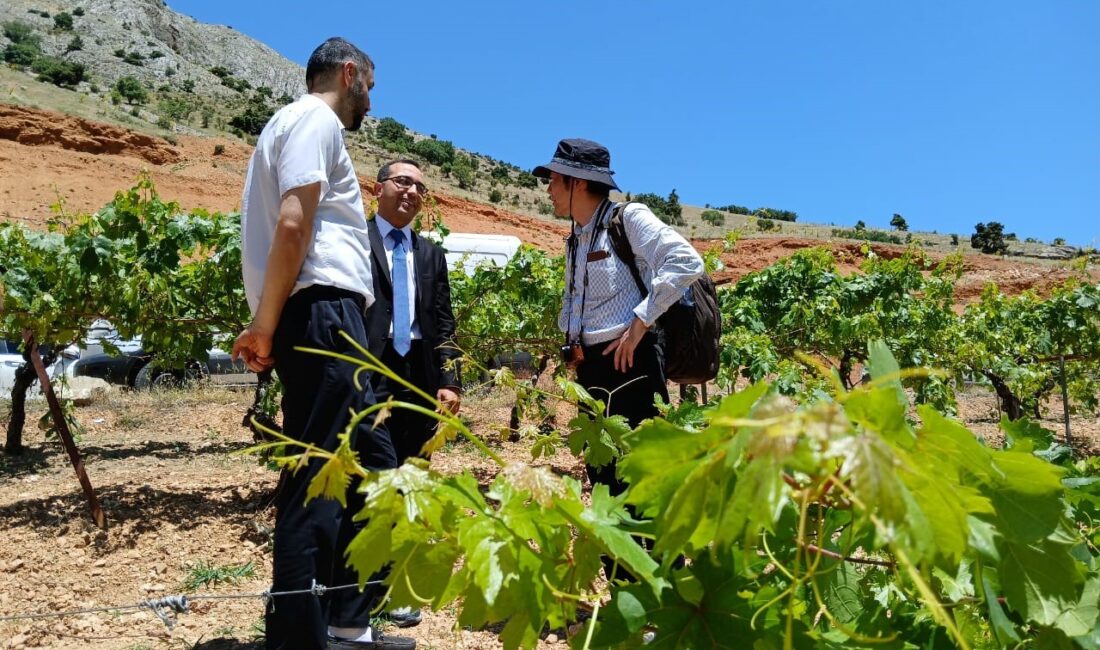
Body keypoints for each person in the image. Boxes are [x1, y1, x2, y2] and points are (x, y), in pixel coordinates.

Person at [232, 37, 414, 650]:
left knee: (375, 467)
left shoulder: (291, 126)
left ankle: (348, 623)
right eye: (371, 85)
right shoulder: (314, 118)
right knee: (319, 475)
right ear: (350, 73)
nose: (371, 101)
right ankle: (297, 636)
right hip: (323, 314)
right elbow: (293, 222)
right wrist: (265, 323)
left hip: (327, 317)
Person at [532, 138, 704, 579]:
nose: (548, 188)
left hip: (633, 365)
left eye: (554, 179)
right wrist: (571, 346)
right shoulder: (576, 236)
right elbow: (577, 301)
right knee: (604, 481)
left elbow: (686, 261)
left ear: (577, 182)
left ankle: (662, 595)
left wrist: (641, 323)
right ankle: (626, 596)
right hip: (593, 370)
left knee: (640, 482)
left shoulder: (629, 219)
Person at [363, 159, 462, 627]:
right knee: (378, 475)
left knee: (414, 476)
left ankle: (399, 580)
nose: (411, 191)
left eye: (420, 186)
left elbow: (443, 321)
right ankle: (368, 579)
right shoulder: (355, 240)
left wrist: (450, 379)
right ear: (377, 187)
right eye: (403, 181)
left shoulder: (431, 254)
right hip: (370, 372)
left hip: (419, 375)